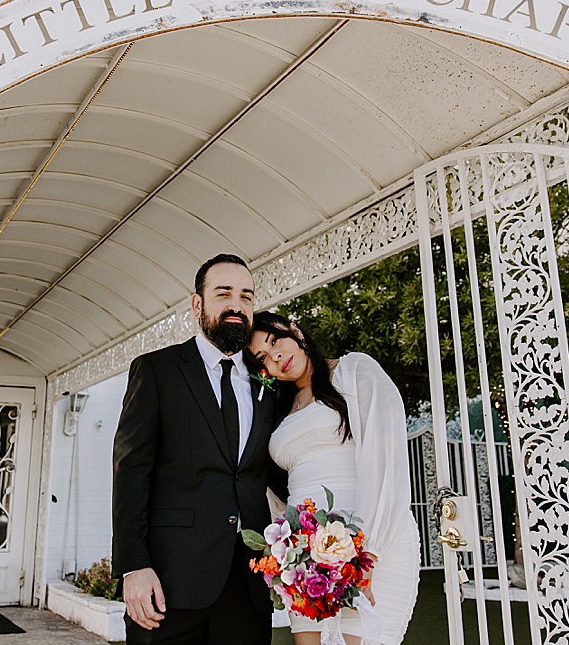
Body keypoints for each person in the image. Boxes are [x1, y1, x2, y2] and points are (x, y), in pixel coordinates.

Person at [112, 254, 283, 645]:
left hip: (250, 583)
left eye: (246, 296)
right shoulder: (157, 371)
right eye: (224, 293)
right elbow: (130, 473)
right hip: (170, 584)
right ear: (197, 304)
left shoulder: (267, 384)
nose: (236, 305)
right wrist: (134, 566)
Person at [248, 311, 420, 645]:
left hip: (366, 540)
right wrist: (287, 549)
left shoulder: (353, 371)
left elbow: (387, 461)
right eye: (263, 358)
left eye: (275, 341)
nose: (276, 356)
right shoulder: (276, 409)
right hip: (303, 554)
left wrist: (366, 553)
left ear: (294, 330)